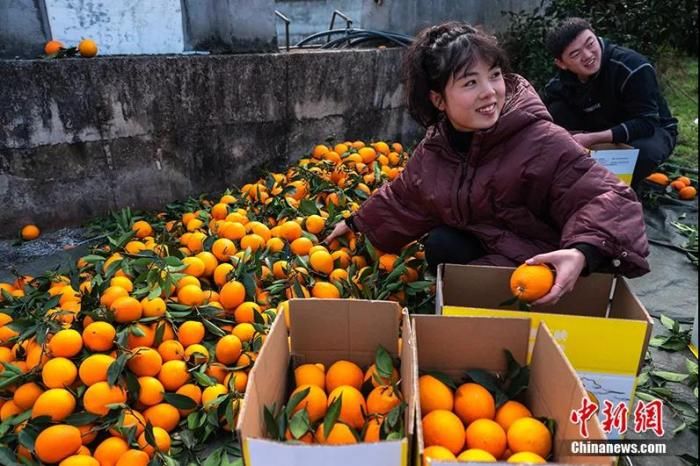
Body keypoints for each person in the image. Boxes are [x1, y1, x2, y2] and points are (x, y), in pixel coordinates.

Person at [324, 21, 650, 306]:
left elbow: (608, 197)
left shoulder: (540, 140)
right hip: (492, 252)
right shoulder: (437, 149)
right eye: (470, 82)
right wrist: (357, 225)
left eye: (494, 76)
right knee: (441, 244)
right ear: (439, 100)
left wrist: (582, 252)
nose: (489, 93)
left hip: (541, 266)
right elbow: (406, 196)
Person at [542, 17, 678, 190]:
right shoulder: (561, 84)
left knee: (643, 154)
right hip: (601, 124)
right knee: (554, 112)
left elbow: (647, 122)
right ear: (561, 63)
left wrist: (591, 138)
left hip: (650, 129)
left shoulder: (632, 66)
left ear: (596, 36)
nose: (588, 56)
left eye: (590, 44)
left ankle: (621, 190)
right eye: (575, 54)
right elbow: (539, 114)